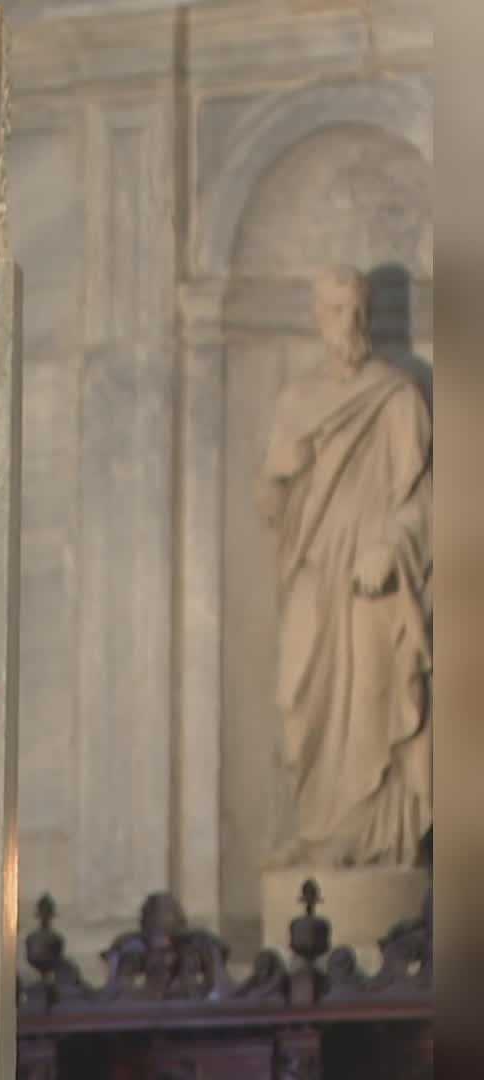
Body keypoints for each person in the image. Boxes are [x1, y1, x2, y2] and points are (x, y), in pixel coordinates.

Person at [258, 265, 431, 869]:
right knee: (303, 700)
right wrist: (282, 470)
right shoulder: (297, 401)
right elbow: (271, 508)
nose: (348, 323)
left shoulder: (398, 397)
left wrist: (391, 546)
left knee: (371, 698)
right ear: (317, 318)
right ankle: (317, 826)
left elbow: (424, 500)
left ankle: (369, 835)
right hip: (312, 573)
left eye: (357, 310)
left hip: (371, 580)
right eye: (335, 310)